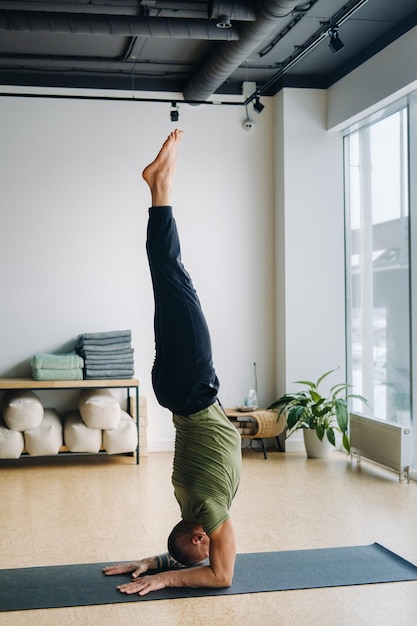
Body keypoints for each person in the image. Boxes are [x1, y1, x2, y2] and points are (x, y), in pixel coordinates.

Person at [103, 129, 242, 596]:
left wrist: (164, 577)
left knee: (172, 277)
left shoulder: (203, 507)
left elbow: (220, 577)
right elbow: (184, 547)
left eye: (201, 545)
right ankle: (159, 187)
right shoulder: (188, 504)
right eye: (207, 548)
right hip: (180, 392)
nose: (210, 546)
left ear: (194, 533)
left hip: (189, 387)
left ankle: (159, 186)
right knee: (172, 282)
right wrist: (155, 559)